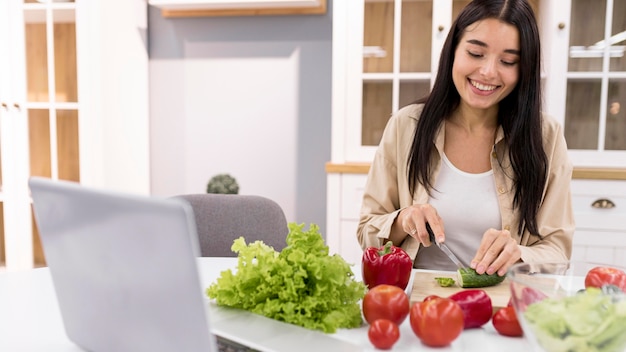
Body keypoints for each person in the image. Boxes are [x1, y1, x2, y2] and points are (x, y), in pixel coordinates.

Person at [357, 0, 574, 277]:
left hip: (502, 307)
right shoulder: (406, 126)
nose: (488, 72)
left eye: (508, 61)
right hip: (418, 304)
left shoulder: (546, 137)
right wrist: (403, 219)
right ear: (453, 51)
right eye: (475, 53)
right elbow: (367, 231)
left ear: (524, 71)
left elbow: (558, 252)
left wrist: (521, 253)